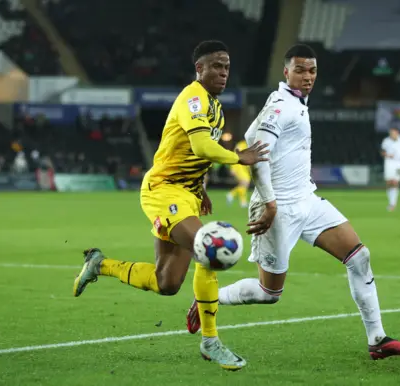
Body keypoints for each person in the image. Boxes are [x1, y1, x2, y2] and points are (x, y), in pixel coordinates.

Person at [186, 44, 400, 361]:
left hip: (306, 200)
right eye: (300, 70)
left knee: (359, 256)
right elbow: (257, 157)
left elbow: (253, 132)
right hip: (279, 207)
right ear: (286, 72)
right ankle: (207, 298)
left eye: (312, 70)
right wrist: (269, 203)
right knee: (269, 294)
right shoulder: (283, 106)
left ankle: (377, 339)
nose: (307, 76)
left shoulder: (291, 103)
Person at [72, 40, 269, 371]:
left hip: (185, 195)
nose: (223, 72)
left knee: (168, 283)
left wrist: (200, 188)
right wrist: (239, 157)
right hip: (164, 191)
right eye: (216, 66)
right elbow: (201, 145)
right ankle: (210, 341)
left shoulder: (215, 107)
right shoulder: (193, 98)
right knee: (208, 248)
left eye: (227, 66)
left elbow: (193, 156)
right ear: (199, 69)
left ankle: (100, 264)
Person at [381, 128, 400, 211]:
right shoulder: (386, 141)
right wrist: (387, 155)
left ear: (397, 133)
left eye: (393, 133)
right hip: (389, 163)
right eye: (390, 133)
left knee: (395, 181)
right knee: (389, 182)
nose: (391, 134)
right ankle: (391, 201)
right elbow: (383, 151)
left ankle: (393, 204)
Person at [226, 139, 251, 208]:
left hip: (243, 167)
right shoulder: (241, 145)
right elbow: (235, 156)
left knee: (243, 184)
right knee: (245, 182)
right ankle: (240, 199)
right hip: (238, 166)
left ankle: (232, 195)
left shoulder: (248, 145)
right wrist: (233, 168)